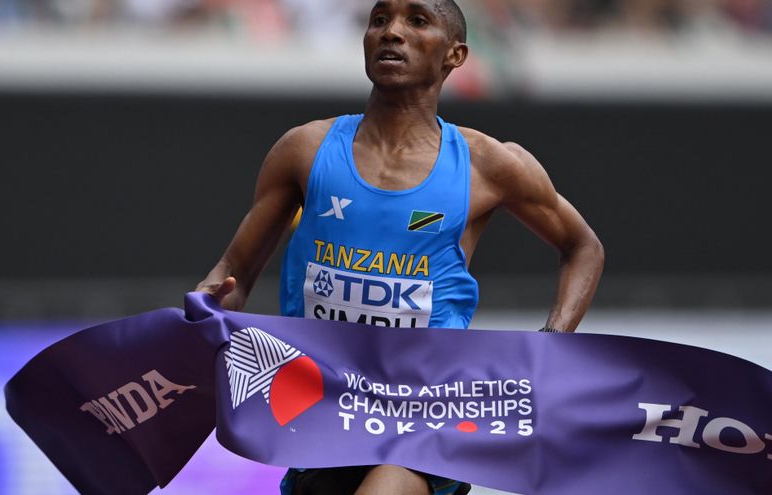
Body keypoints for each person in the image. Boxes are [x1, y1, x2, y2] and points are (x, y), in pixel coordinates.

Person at [197, 0, 605, 493]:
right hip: (324, 411)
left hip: (427, 415)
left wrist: (551, 342)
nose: (391, 32)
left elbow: (583, 247)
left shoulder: (488, 165)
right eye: (379, 20)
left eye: (416, 20)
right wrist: (209, 302)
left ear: (455, 55)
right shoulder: (304, 150)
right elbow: (234, 271)